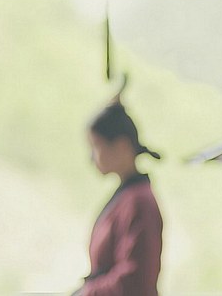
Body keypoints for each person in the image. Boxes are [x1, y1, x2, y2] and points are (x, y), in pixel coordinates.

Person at [75, 96, 163, 296]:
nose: (92, 157)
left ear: (122, 146)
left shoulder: (139, 202)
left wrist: (86, 293)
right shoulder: (128, 197)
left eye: (96, 146)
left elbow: (135, 282)